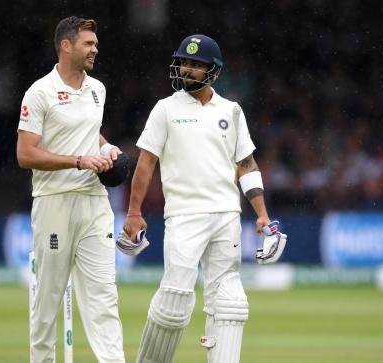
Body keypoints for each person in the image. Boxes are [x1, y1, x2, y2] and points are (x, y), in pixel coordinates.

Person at [122, 34, 287, 363]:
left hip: (226, 216)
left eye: (195, 65)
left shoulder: (232, 110)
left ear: (214, 71)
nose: (186, 69)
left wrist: (262, 215)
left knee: (229, 304)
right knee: (174, 301)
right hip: (184, 216)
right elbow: (146, 163)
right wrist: (133, 212)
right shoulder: (165, 109)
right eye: (184, 62)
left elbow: (246, 165)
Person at [17, 16, 126, 363]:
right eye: (88, 43)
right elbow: (25, 154)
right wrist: (79, 161)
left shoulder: (98, 89)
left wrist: (107, 148)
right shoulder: (40, 92)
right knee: (47, 300)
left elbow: (90, 132)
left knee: (104, 297)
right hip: (55, 202)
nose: (96, 48)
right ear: (66, 46)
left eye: (95, 43)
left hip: (94, 202)